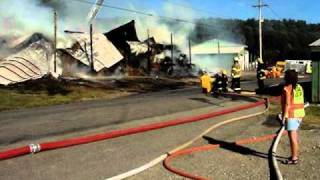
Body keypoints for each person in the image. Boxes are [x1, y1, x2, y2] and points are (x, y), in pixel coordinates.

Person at [281, 69, 305, 165]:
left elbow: (287, 103)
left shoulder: (287, 88)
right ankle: (295, 155)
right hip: (300, 114)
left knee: (292, 137)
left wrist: (284, 116)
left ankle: (294, 157)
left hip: (292, 115)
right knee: (294, 136)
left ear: (288, 78)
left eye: (285, 76)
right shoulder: (299, 87)